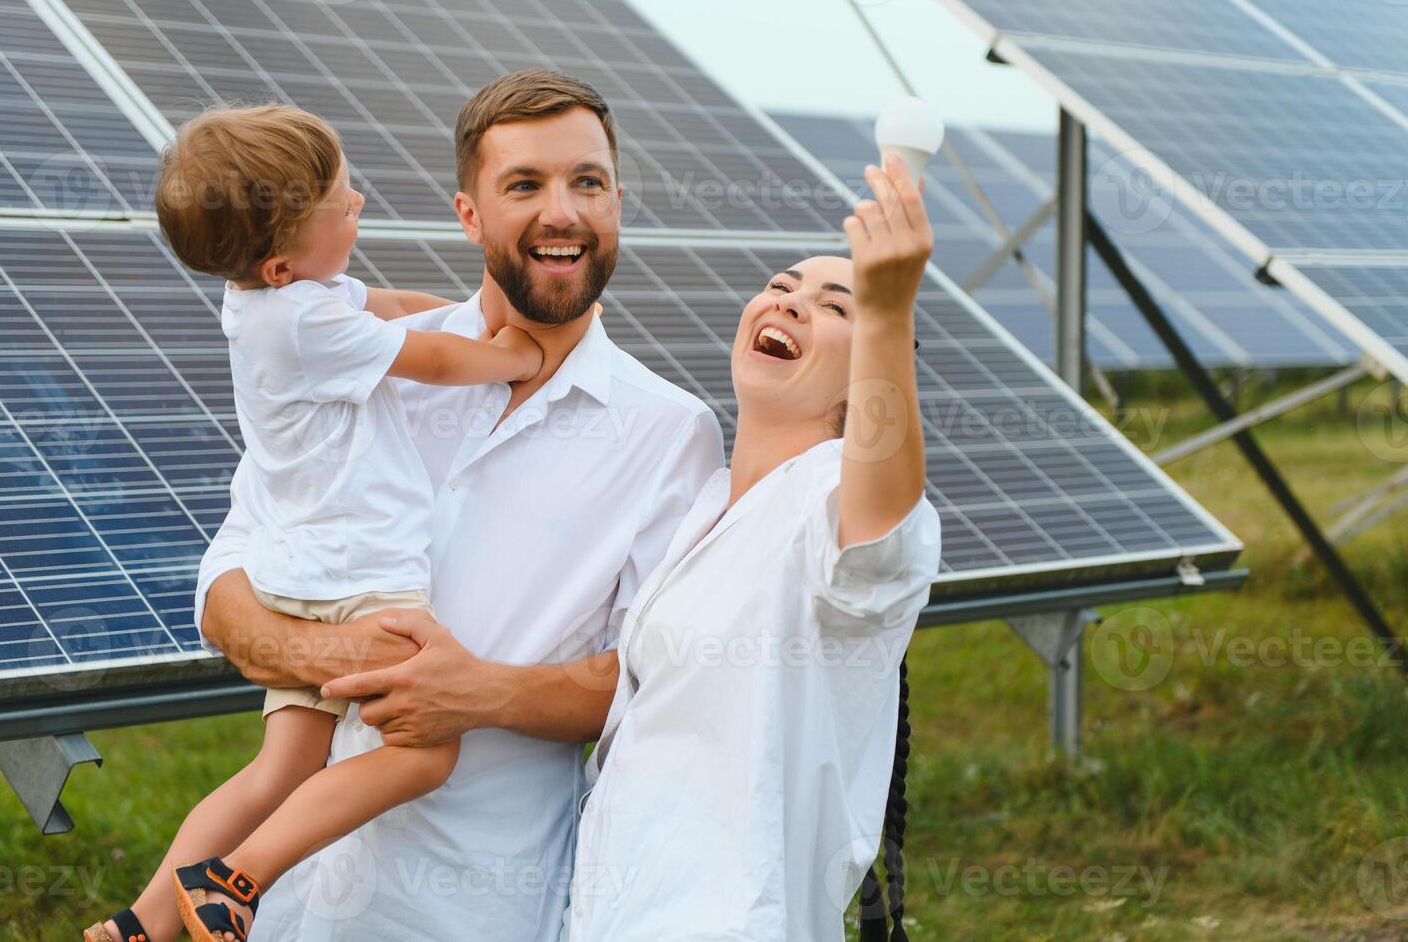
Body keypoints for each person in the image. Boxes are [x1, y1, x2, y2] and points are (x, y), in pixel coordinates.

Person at [180, 70, 725, 939]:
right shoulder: (365, 359)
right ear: (468, 215)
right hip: (280, 902)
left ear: (616, 202)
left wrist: (480, 693)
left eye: (586, 182)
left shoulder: (669, 433)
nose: (562, 212)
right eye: (524, 185)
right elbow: (226, 590)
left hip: (470, 902)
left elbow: (652, 684)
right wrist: (328, 650)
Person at [86, 103, 546, 942]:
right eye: (341, 204)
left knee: (281, 766)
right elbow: (432, 360)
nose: (359, 203)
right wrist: (516, 354)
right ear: (276, 262)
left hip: (293, 574)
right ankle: (235, 879)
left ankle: (138, 924)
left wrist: (463, 311)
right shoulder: (305, 324)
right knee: (426, 750)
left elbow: (394, 308)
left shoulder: (271, 301)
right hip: (360, 577)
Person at [560, 153, 942, 939]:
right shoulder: (702, 506)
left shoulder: (836, 500)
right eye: (780, 286)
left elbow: (878, 521)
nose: (792, 303)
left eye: (836, 306)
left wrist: (888, 313)